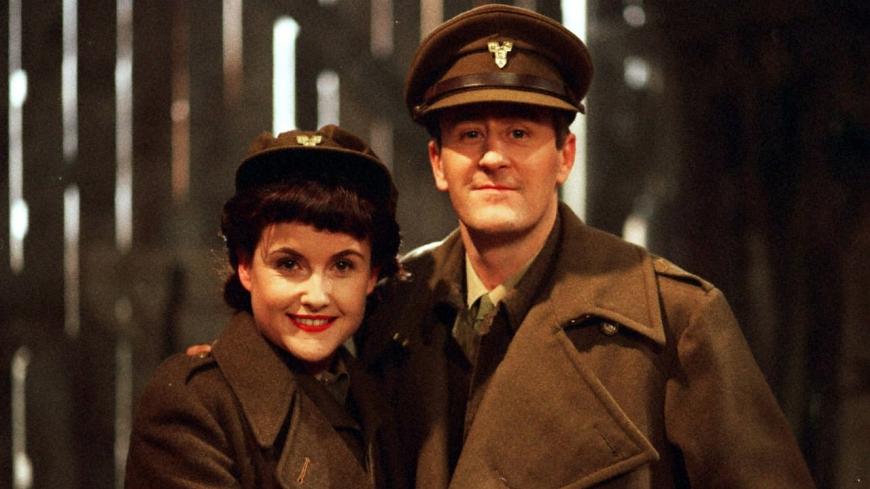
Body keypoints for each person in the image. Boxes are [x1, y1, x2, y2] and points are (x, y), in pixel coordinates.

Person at [357, 4, 817, 488]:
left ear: (565, 156)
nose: (493, 157)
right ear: (437, 162)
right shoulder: (391, 307)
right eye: (471, 135)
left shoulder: (674, 320)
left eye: (519, 133)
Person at [125, 125, 406, 488]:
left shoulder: (380, 401)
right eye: (289, 264)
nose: (317, 296)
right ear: (245, 267)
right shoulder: (194, 405)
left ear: (372, 276)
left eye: (342, 265)